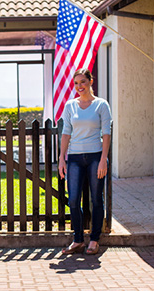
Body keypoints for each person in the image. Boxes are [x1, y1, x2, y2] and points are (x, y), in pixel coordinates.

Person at [58, 68, 112, 256]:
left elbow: (106, 133)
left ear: (90, 82)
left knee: (96, 199)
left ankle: (94, 240)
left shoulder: (101, 105)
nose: (79, 86)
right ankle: (78, 240)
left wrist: (103, 159)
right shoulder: (70, 106)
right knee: (73, 200)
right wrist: (61, 159)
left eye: (83, 82)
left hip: (96, 156)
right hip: (74, 158)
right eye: (76, 83)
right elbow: (66, 133)